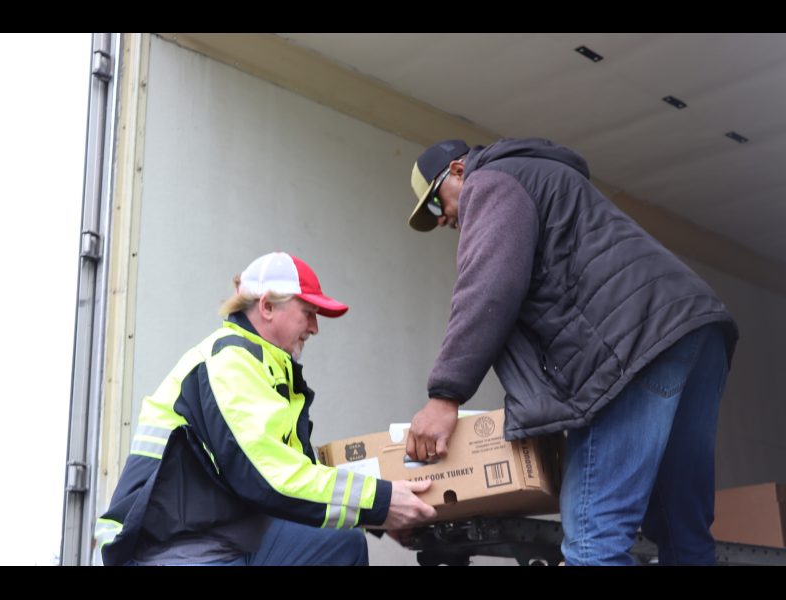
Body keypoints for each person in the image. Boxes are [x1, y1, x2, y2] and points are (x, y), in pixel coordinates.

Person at [404, 138, 739, 565]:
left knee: (594, 535)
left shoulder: (490, 181)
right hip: (693, 328)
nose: (443, 220)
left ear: (456, 170)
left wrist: (444, 395)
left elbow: (488, 287)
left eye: (436, 206)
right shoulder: (539, 177)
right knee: (681, 528)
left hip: (637, 341)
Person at [96, 251, 436, 566]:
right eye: (308, 312)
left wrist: (379, 517)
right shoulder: (230, 363)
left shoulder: (267, 368)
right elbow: (271, 478)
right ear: (267, 307)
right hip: (170, 549)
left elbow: (298, 479)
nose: (315, 328)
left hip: (224, 539)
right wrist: (380, 502)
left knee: (342, 543)